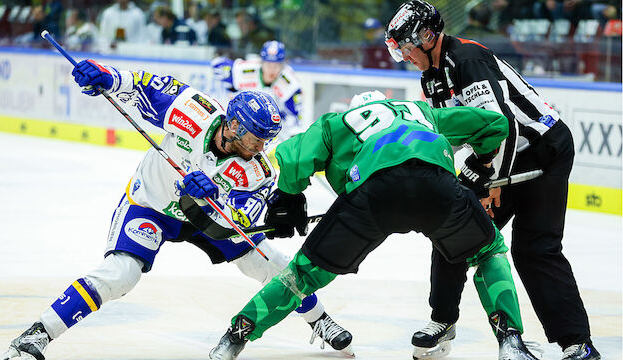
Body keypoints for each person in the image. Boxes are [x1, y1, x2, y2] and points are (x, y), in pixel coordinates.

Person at [0, 60, 352, 360]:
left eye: (266, 140)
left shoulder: (257, 167)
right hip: (152, 204)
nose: (261, 146)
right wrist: (106, 77)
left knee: (271, 264)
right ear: (233, 126)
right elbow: (141, 86)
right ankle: (38, 335)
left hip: (207, 218)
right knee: (121, 274)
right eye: (255, 138)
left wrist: (216, 198)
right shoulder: (191, 110)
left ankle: (318, 318)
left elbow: (243, 219)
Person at [208, 91, 541, 360]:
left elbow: (295, 156)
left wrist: (289, 197)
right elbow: (495, 124)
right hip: (436, 185)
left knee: (301, 276)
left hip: (373, 196)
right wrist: (482, 164)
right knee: (488, 251)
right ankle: (510, 342)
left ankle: (233, 340)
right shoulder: (423, 112)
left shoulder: (339, 122)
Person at [383, 1, 600, 359]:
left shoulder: (467, 61)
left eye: (406, 47)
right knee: (451, 225)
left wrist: (491, 182)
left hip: (542, 149)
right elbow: (453, 136)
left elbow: (504, 128)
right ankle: (443, 320)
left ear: (426, 37)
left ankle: (578, 344)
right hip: (499, 154)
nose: (405, 56)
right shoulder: (431, 77)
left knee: (535, 250)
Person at [211, 40, 303, 140]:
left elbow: (294, 121)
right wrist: (231, 88)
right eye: (268, 64)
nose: (272, 70)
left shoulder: (290, 83)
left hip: (273, 132)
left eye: (276, 65)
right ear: (261, 62)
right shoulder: (246, 69)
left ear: (283, 64)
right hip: (244, 122)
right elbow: (217, 64)